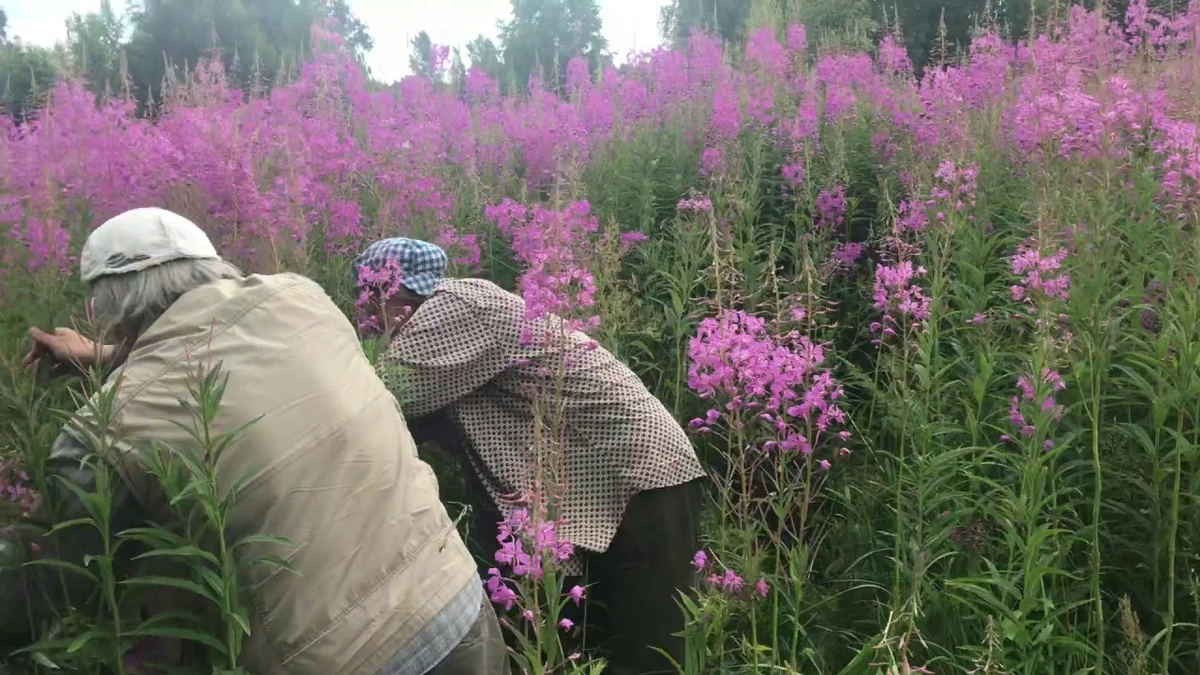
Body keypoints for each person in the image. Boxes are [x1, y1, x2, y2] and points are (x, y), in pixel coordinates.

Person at [1, 208, 507, 675]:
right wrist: (111, 356)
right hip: (459, 611)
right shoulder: (304, 300)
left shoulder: (101, 433)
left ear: (105, 304)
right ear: (211, 266)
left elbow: (57, 577)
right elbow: (223, 355)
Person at [351, 237, 708, 674]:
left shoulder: (454, 308)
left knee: (647, 650)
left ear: (400, 292)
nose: (367, 322)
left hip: (635, 472)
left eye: (371, 306)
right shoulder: (438, 319)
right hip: (580, 487)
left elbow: (379, 399)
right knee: (574, 639)